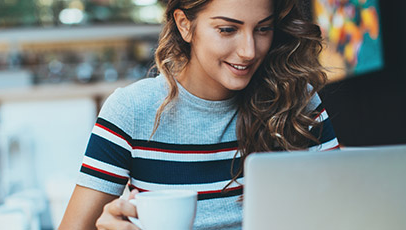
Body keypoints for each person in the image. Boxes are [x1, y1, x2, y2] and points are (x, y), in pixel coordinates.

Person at [59, 0, 339, 229]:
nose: (248, 51)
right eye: (228, 29)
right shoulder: (132, 110)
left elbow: (343, 207)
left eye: (263, 29)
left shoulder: (297, 100)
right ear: (185, 25)